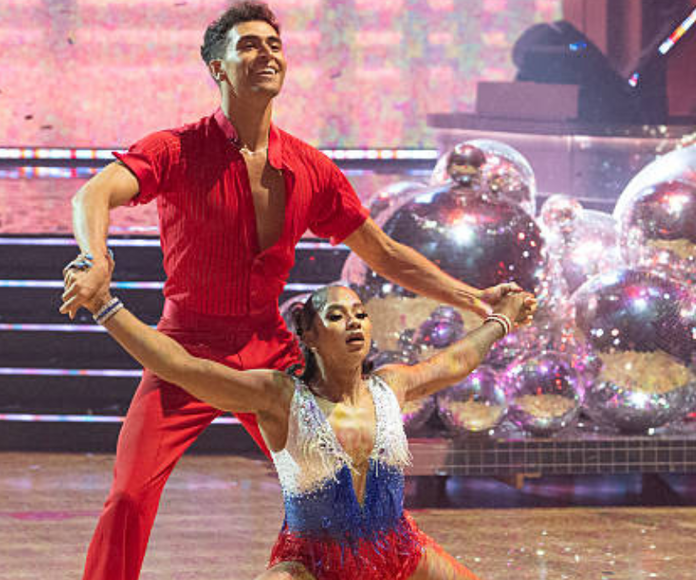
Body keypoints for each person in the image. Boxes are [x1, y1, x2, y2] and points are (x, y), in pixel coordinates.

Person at [58, 3, 535, 579]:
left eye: (274, 45)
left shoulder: (309, 167)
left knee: (341, 482)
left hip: (272, 351)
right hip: (185, 347)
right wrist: (96, 258)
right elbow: (95, 194)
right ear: (218, 67)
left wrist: (475, 298)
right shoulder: (178, 149)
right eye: (250, 45)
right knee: (130, 497)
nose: (267, 55)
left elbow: (383, 252)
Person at [75, 284, 533, 579]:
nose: (353, 322)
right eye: (336, 316)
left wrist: (503, 319)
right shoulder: (281, 397)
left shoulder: (391, 385)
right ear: (309, 337)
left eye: (359, 313)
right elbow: (180, 366)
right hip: (313, 565)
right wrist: (105, 306)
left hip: (399, 550)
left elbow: (455, 361)